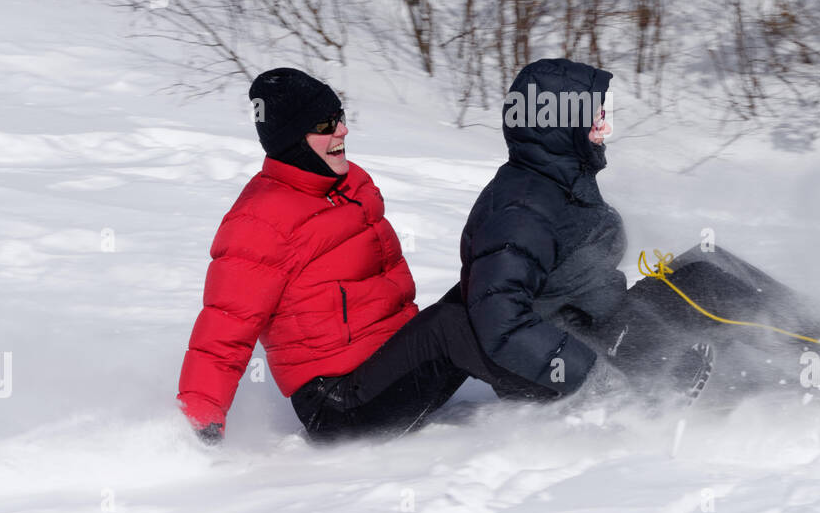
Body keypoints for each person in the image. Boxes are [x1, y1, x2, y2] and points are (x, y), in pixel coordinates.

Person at [176, 67, 551, 444]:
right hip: (338, 403)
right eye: (325, 124)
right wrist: (200, 418)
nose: (341, 130)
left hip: (387, 363)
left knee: (485, 287)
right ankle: (560, 396)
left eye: (339, 117)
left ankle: (572, 349)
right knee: (452, 327)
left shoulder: (350, 182)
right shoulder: (259, 221)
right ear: (293, 139)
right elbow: (226, 323)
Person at [459, 57, 712, 399]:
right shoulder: (521, 207)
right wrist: (594, 378)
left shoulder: (558, 184)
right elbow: (501, 319)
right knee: (711, 287)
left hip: (605, 328)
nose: (603, 125)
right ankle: (796, 373)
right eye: (594, 113)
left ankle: (797, 351)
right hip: (573, 360)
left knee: (703, 273)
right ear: (558, 122)